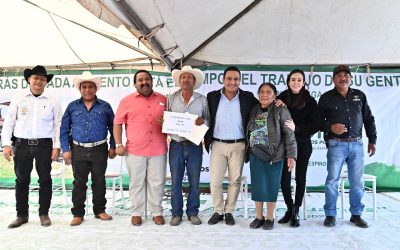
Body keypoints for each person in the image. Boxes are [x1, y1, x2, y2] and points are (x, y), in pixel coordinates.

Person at [1, 65, 62, 228]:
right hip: (22, 145)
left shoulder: (53, 99)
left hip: (44, 145)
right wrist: (6, 144)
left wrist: (57, 146)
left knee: (45, 180)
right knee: (21, 181)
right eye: (36, 78)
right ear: (29, 79)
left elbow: (58, 125)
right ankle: (22, 215)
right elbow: (9, 122)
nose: (39, 81)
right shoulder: (19, 97)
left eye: (42, 79)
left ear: (46, 82)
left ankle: (44, 214)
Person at [319, 65, 377, 228]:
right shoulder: (326, 98)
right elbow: (318, 121)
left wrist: (372, 139)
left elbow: (368, 118)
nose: (342, 78)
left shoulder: (359, 95)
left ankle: (356, 214)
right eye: (339, 75)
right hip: (336, 144)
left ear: (351, 78)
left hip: (357, 145)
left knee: (357, 182)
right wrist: (331, 127)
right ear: (333, 79)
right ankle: (330, 214)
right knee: (332, 181)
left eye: (346, 75)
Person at [60, 71, 116, 226]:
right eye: (84, 87)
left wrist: (113, 146)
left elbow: (113, 127)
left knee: (99, 181)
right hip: (78, 149)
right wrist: (66, 149)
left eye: (90, 86)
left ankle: (100, 211)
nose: (87, 90)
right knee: (79, 182)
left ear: (95, 88)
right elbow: (64, 129)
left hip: (100, 149)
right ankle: (78, 214)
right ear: (80, 89)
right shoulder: (72, 107)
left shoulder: (105, 106)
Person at [205, 66, 258, 226]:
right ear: (223, 80)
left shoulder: (248, 97)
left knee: (235, 180)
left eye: (235, 79)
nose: (232, 82)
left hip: (239, 145)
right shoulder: (212, 96)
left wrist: (277, 101)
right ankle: (218, 211)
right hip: (217, 144)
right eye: (229, 78)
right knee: (215, 180)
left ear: (240, 81)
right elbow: (203, 115)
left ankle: (229, 211)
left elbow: (263, 106)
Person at [113, 70, 167, 226]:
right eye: (140, 80)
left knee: (157, 182)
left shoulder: (163, 99)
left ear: (152, 81)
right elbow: (117, 123)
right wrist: (118, 144)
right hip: (135, 150)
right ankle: (137, 212)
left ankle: (156, 211)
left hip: (158, 149)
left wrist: (167, 124)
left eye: (147, 79)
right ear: (135, 83)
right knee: (136, 182)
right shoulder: (126, 101)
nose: (144, 82)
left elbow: (172, 122)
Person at [247, 82, 297, 230]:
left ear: (275, 95)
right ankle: (258, 217)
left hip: (274, 156)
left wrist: (291, 155)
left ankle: (269, 217)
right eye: (262, 92)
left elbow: (289, 134)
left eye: (269, 92)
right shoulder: (254, 109)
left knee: (271, 186)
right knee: (257, 186)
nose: (264, 94)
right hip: (256, 154)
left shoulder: (281, 109)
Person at [276, 69, 320, 227]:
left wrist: (297, 128)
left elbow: (316, 125)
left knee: (300, 178)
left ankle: (296, 210)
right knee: (284, 179)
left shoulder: (310, 100)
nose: (296, 82)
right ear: (288, 81)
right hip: (285, 145)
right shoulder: (280, 97)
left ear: (303, 82)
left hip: (303, 143)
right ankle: (289, 209)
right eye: (293, 79)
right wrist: (277, 102)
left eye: (299, 80)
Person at [167, 66, 210, 226]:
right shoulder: (170, 98)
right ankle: (176, 214)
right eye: (183, 77)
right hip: (176, 145)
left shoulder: (202, 99)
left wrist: (202, 122)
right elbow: (166, 118)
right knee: (176, 182)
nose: (186, 79)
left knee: (194, 181)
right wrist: (164, 122)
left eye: (189, 77)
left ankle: (193, 212)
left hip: (194, 146)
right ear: (179, 80)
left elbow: (208, 120)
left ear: (194, 81)